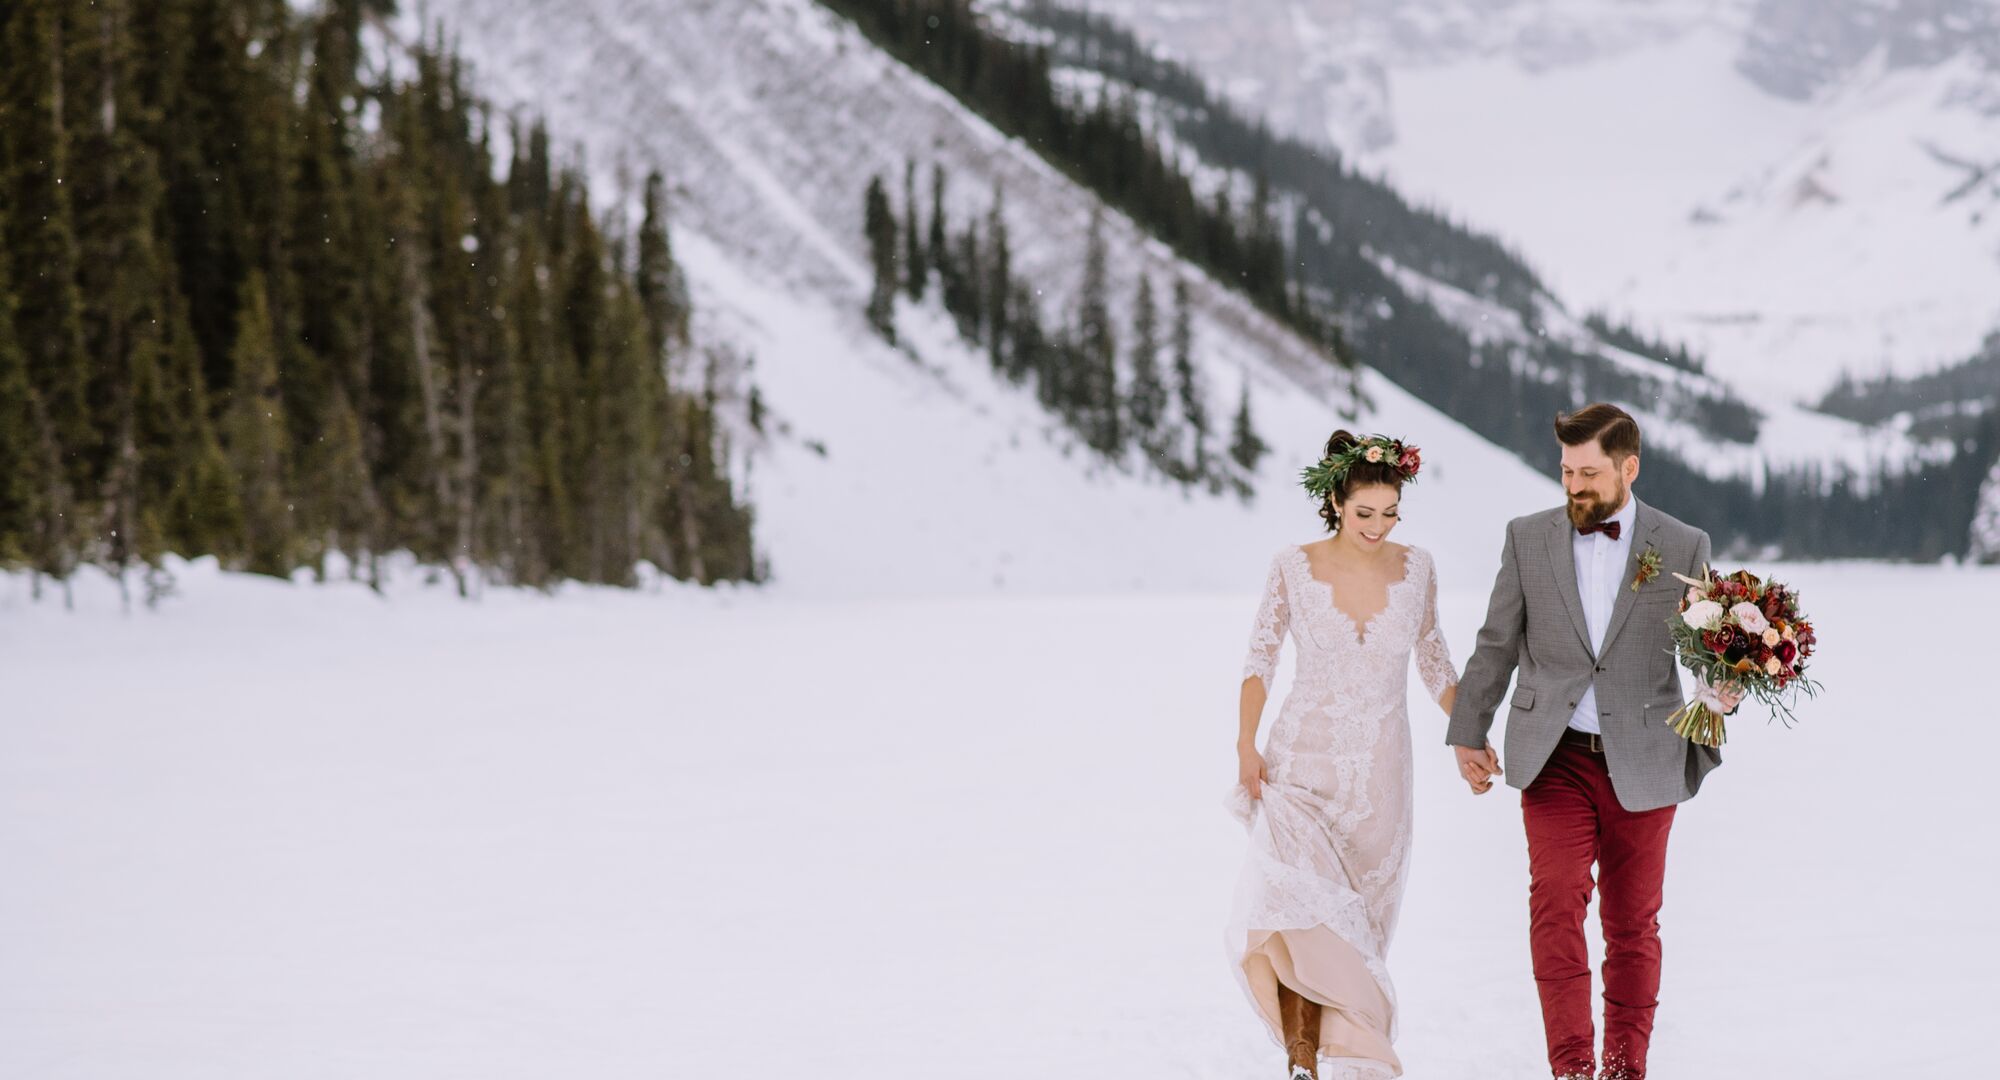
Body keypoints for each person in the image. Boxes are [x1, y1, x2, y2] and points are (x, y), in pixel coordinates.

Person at [1446, 403, 1740, 1080]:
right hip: (1555, 758)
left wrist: (1724, 688)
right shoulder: (1527, 538)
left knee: (1633, 926)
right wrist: (1469, 731)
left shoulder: (1684, 543)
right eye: (1565, 470)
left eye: (1588, 472)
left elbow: (1707, 653)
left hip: (1648, 759)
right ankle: (1573, 1067)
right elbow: (1497, 643)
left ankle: (1623, 1067)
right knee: (1554, 903)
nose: (1573, 485)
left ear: (1628, 468)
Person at [1227, 430, 1459, 1080]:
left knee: (1354, 935)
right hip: (1300, 764)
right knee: (1298, 913)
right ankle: (1302, 1061)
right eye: (1365, 513)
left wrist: (1469, 734)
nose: (1378, 527)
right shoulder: (1292, 565)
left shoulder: (1417, 569)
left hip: (1382, 777)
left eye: (1390, 514)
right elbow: (1259, 659)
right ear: (1334, 500)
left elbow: (1434, 660)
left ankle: (1347, 1054)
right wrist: (1246, 743)